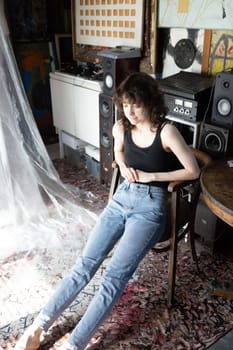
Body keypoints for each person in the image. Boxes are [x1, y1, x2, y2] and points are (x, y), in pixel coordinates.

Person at [15, 72, 200, 350]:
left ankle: (75, 344)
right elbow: (119, 151)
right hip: (121, 197)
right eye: (126, 105)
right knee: (84, 265)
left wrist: (153, 178)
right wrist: (122, 163)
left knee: (113, 277)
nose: (131, 111)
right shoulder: (120, 126)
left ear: (150, 102)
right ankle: (38, 326)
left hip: (150, 207)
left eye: (136, 105)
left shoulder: (166, 131)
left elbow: (193, 170)